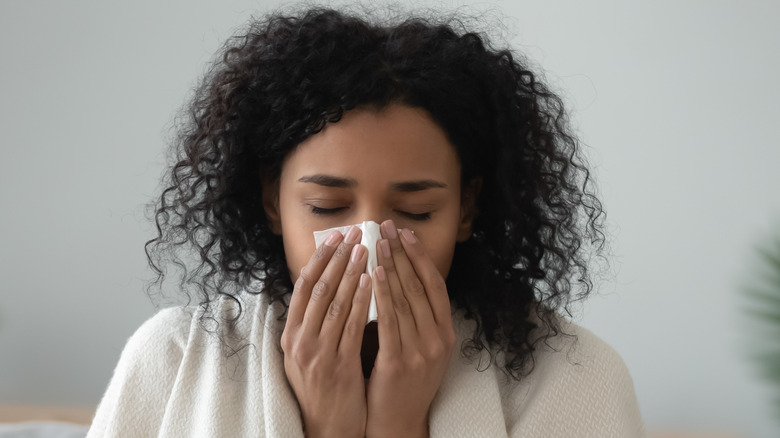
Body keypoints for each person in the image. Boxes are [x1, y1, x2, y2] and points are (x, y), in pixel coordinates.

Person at [88, 6, 645, 438]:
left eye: (415, 212)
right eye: (327, 208)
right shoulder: (176, 358)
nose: (369, 243)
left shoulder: (576, 374)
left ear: (466, 210)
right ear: (269, 200)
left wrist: (399, 427)